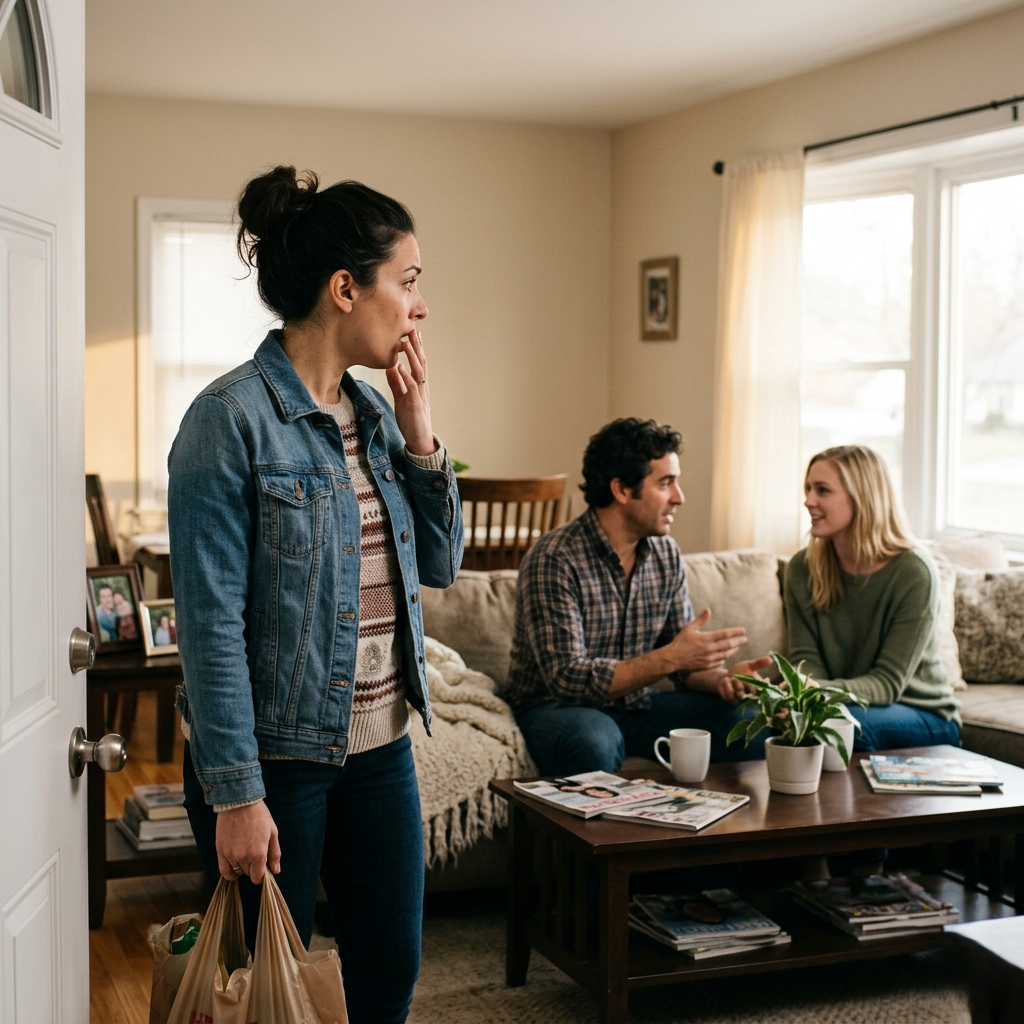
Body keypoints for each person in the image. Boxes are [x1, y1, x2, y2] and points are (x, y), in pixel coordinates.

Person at [167, 166, 463, 1024]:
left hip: (381, 753)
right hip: (275, 765)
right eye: (406, 282)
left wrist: (420, 435)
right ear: (345, 289)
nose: (418, 304)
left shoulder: (376, 415)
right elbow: (211, 624)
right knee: (273, 999)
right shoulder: (228, 421)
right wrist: (236, 794)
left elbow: (438, 565)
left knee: (388, 976)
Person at [504, 417, 772, 777]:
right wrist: (670, 659)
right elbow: (567, 680)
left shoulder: (665, 554)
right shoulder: (555, 558)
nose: (680, 497)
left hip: (636, 707)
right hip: (553, 710)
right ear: (622, 490)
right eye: (666, 483)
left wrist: (722, 680)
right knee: (596, 741)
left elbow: (685, 667)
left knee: (750, 722)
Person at [785, 445, 960, 752]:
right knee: (764, 724)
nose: (808, 500)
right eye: (808, 488)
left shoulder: (913, 572)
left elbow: (887, 684)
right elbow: (807, 662)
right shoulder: (802, 568)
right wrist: (799, 697)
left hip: (924, 714)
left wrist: (818, 693)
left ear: (862, 497)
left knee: (841, 730)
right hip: (844, 706)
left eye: (822, 490)